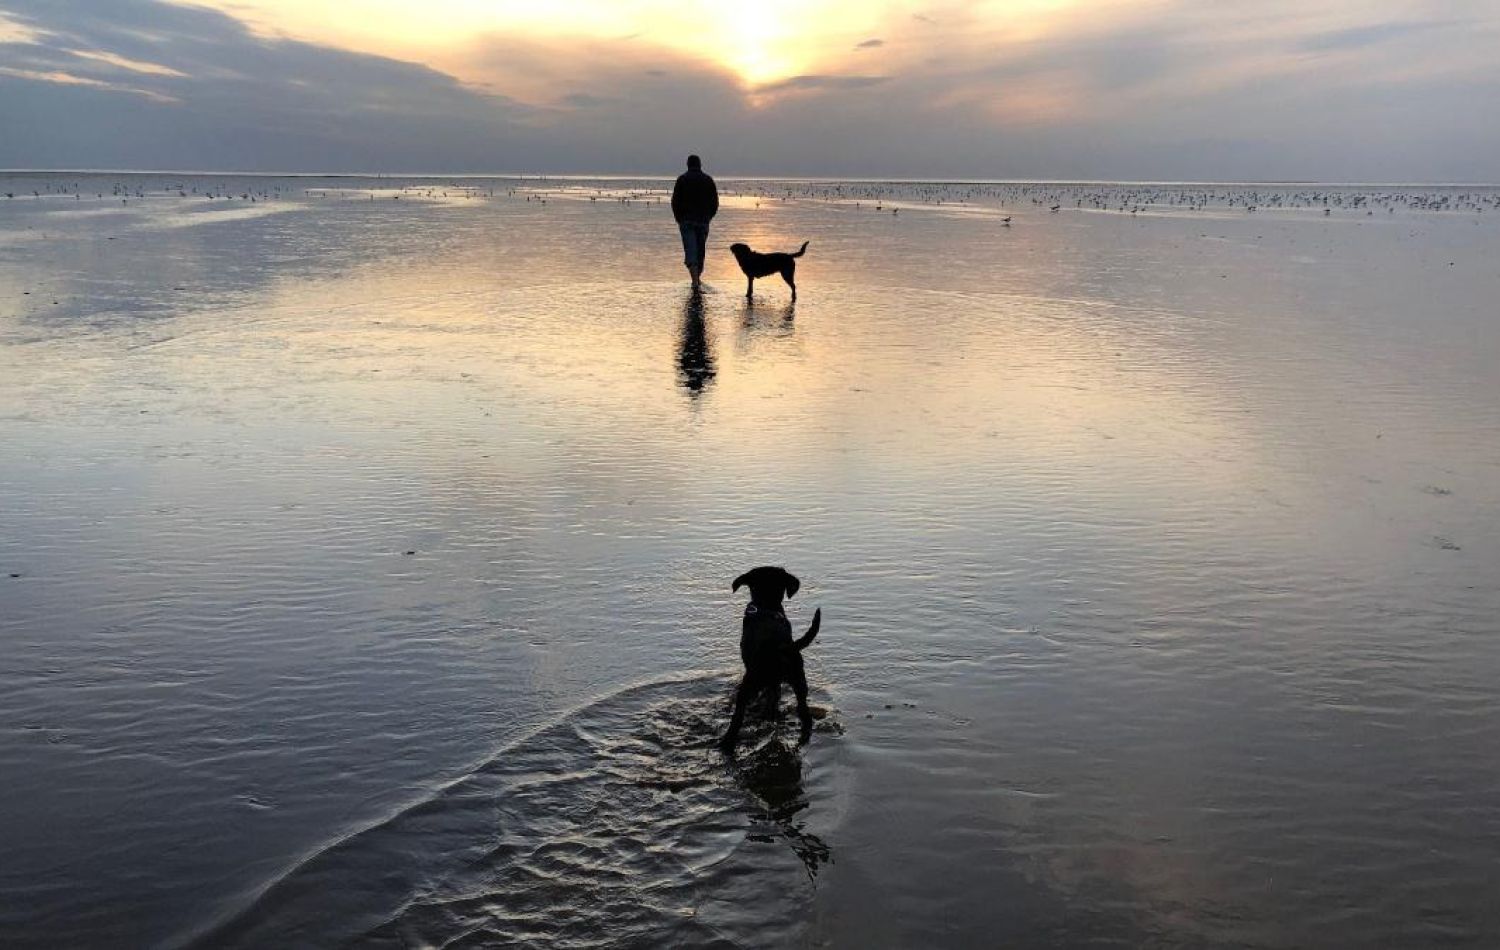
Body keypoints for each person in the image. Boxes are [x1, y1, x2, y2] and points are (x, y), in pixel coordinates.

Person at [671, 154, 719, 291]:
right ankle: (697, 280)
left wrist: (678, 218)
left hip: (686, 221)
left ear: (687, 164)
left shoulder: (682, 179)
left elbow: (675, 201)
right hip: (703, 221)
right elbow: (715, 202)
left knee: (690, 250)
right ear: (700, 165)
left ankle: (695, 281)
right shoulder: (708, 180)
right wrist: (709, 217)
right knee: (700, 251)